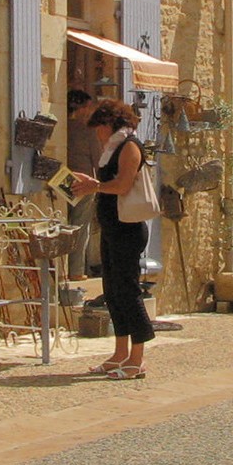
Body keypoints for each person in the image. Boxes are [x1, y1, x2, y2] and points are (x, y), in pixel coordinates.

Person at [70, 99, 155, 379]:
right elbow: (106, 184)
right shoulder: (111, 149)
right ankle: (120, 353)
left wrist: (96, 185)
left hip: (128, 229)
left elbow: (122, 185)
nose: (97, 135)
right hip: (112, 226)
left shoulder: (129, 147)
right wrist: (91, 183)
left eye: (99, 128)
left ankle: (137, 358)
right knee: (113, 290)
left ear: (110, 124)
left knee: (128, 291)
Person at [64, 89, 97, 280]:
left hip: (62, 178)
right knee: (80, 226)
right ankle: (76, 270)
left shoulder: (63, 127)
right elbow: (98, 159)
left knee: (63, 223)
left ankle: (64, 269)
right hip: (84, 182)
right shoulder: (87, 130)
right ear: (82, 108)